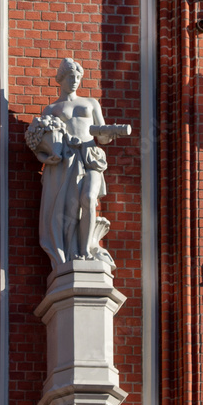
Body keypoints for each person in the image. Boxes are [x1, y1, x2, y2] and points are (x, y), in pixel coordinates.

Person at [25, 58, 129, 268]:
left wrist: (110, 132)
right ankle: (73, 253)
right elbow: (41, 144)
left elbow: (102, 137)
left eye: (78, 77)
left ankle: (85, 250)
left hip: (90, 155)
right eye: (70, 76)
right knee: (70, 208)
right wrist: (46, 158)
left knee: (89, 199)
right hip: (67, 161)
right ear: (61, 79)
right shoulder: (51, 109)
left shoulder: (90, 103)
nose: (75, 81)